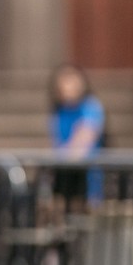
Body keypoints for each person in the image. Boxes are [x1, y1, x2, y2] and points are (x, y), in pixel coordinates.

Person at [48, 63, 106, 212]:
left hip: (87, 177)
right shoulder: (59, 111)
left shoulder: (90, 108)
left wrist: (65, 154)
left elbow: (82, 143)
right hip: (64, 175)